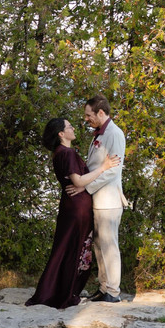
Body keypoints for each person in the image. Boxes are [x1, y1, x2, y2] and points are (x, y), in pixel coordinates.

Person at [27, 117, 121, 310]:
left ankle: (58, 290)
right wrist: (104, 167)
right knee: (74, 249)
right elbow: (78, 182)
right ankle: (64, 292)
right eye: (69, 126)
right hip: (77, 207)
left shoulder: (60, 152)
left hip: (72, 206)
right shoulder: (67, 152)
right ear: (61, 134)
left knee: (66, 248)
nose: (73, 128)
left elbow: (76, 182)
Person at [67, 93, 127, 303]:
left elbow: (113, 170)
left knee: (110, 246)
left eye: (88, 114)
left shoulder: (115, 134)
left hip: (109, 201)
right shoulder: (100, 134)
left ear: (100, 112)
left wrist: (85, 187)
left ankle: (113, 292)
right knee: (99, 246)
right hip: (98, 200)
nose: (86, 119)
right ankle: (104, 288)